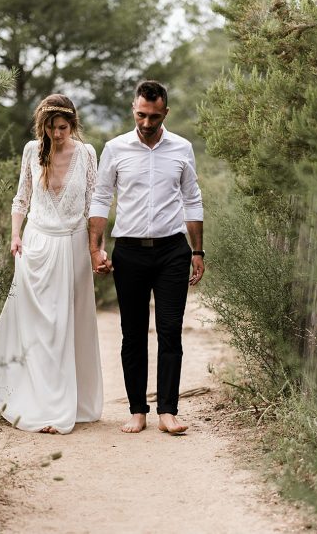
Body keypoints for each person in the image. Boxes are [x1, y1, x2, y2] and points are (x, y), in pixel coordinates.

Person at [0, 94, 103, 435]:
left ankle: (70, 404)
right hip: (37, 246)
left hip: (73, 246)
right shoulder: (32, 151)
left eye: (63, 127)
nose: (57, 134)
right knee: (39, 327)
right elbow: (21, 198)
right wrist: (15, 235)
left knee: (66, 326)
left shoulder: (87, 154)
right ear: (42, 125)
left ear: (72, 125)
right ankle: (42, 405)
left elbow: (94, 206)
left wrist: (96, 248)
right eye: (51, 127)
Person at [88, 80, 205, 435]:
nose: (147, 122)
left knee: (170, 331)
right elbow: (100, 197)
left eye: (154, 116)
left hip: (172, 249)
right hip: (129, 252)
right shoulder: (115, 148)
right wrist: (96, 247)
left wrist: (197, 250)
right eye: (141, 114)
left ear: (165, 113)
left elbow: (192, 199)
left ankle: (168, 411)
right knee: (132, 333)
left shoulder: (182, 148)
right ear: (133, 110)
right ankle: (137, 409)